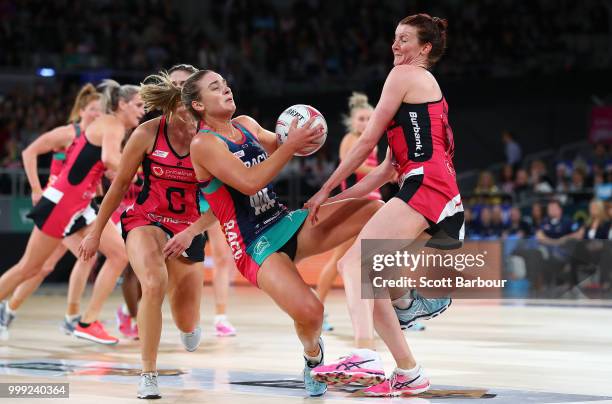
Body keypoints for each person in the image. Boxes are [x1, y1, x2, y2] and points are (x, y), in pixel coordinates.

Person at [150, 68, 382, 397]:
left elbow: (286, 145)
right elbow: (249, 181)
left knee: (373, 211)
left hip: (284, 221)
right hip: (255, 246)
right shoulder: (203, 144)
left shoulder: (245, 125)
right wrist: (291, 147)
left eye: (226, 84)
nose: (227, 89)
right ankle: (313, 359)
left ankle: (402, 298)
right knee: (312, 312)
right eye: (216, 88)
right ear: (199, 105)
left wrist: (307, 136)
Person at [306, 14, 463, 396]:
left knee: (353, 264)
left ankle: (365, 353)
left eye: (405, 39)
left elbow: (364, 144)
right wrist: (333, 196)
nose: (396, 45)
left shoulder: (404, 76)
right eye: (394, 38)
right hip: (437, 191)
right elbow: (384, 170)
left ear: (424, 49)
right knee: (369, 277)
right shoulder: (418, 91)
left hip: (427, 185)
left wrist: (324, 186)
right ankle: (409, 370)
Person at [78, 65, 227, 399]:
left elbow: (224, 201)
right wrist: (96, 231)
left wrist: (192, 232)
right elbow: (117, 188)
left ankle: (187, 322)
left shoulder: (211, 137)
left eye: (184, 87)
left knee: (187, 323)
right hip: (146, 218)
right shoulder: (147, 133)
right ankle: (148, 373)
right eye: (172, 85)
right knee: (154, 282)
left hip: (189, 227)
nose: (178, 93)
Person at [0, 79, 143, 346]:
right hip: (64, 203)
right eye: (138, 105)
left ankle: (87, 321)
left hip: (81, 204)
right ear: (121, 105)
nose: (143, 110)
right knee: (30, 268)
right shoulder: (111, 124)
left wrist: (132, 173)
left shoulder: (108, 126)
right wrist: (137, 170)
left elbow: (107, 166)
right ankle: (17, 312)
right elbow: (111, 160)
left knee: (118, 254)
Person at [0, 84, 102, 337]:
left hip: (78, 207)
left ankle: (9, 310)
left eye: (102, 111)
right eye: (92, 110)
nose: (97, 115)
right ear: (81, 110)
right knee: (80, 256)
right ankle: (72, 316)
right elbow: (29, 152)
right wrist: (36, 188)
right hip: (59, 206)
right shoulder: (69, 132)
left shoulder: (97, 139)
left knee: (41, 267)